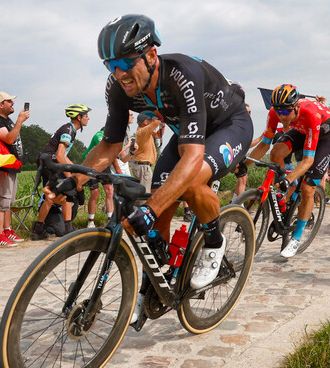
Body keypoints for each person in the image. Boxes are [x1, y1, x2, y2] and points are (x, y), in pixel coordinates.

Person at [44, 14, 253, 323]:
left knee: (190, 184)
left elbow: (193, 157)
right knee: (158, 205)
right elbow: (110, 144)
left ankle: (213, 241)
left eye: (127, 64)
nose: (120, 74)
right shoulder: (118, 87)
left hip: (228, 125)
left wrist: (151, 208)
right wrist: (74, 180)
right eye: (111, 66)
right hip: (189, 132)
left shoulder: (182, 74)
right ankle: (156, 282)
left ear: (151, 55)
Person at [245, 84, 330, 258]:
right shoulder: (275, 113)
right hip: (301, 129)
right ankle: (288, 187)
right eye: (278, 112)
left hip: (324, 134)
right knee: (276, 151)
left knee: (308, 189)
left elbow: (308, 160)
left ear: (296, 106)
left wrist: (289, 178)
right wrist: (244, 164)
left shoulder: (311, 115)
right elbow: (264, 144)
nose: (281, 116)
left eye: (285, 112)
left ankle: (296, 237)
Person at [31, 104, 90, 240]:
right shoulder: (68, 130)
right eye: (86, 116)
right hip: (52, 165)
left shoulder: (69, 129)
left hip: (49, 164)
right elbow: (59, 156)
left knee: (52, 197)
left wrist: (76, 168)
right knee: (63, 195)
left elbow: (64, 156)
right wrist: (70, 175)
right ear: (78, 117)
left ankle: (39, 229)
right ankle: (67, 229)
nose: (88, 118)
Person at [0, 91, 29, 247]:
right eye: (9, 101)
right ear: (0, 105)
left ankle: (7, 230)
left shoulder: (6, 119)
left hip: (11, 166)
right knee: (1, 201)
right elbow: (9, 138)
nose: (13, 104)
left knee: (8, 202)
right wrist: (20, 121)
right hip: (1, 167)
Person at [82, 127, 114, 228]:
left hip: (104, 164)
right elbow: (106, 148)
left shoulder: (115, 138)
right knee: (95, 194)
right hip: (91, 164)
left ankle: (110, 220)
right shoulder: (99, 135)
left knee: (109, 191)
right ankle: (90, 221)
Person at [131, 111, 164, 195]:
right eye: (150, 119)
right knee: (144, 194)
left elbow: (158, 135)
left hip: (141, 166)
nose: (151, 121)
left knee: (141, 193)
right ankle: (141, 208)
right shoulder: (143, 131)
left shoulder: (144, 132)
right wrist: (160, 115)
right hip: (143, 167)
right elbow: (156, 122)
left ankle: (137, 207)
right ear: (145, 122)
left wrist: (162, 125)